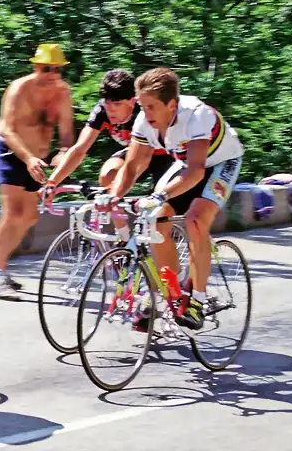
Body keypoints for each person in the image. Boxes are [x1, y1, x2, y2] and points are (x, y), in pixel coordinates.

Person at [100, 67, 244, 330]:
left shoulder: (196, 116)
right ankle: (169, 292)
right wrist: (112, 196)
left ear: (172, 104)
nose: (146, 114)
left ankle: (197, 302)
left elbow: (196, 171)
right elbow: (132, 167)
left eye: (152, 107)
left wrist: (160, 195)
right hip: (185, 163)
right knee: (154, 219)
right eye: (142, 106)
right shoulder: (146, 121)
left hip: (219, 163)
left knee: (196, 220)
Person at [0, 43, 75, 299]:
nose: (52, 74)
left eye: (57, 69)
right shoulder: (19, 88)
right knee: (13, 212)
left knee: (31, 217)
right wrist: (28, 158)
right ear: (36, 66)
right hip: (11, 152)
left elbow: (67, 132)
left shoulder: (62, 92)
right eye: (47, 68)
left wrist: (64, 151)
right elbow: (6, 129)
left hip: (37, 159)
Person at [44, 69, 175, 242]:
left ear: (131, 101)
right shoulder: (102, 111)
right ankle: (124, 240)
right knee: (107, 176)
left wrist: (116, 192)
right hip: (135, 151)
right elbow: (79, 149)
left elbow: (142, 161)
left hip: (165, 156)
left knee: (160, 219)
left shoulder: (143, 114)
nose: (110, 109)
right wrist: (52, 182)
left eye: (117, 104)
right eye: (107, 103)